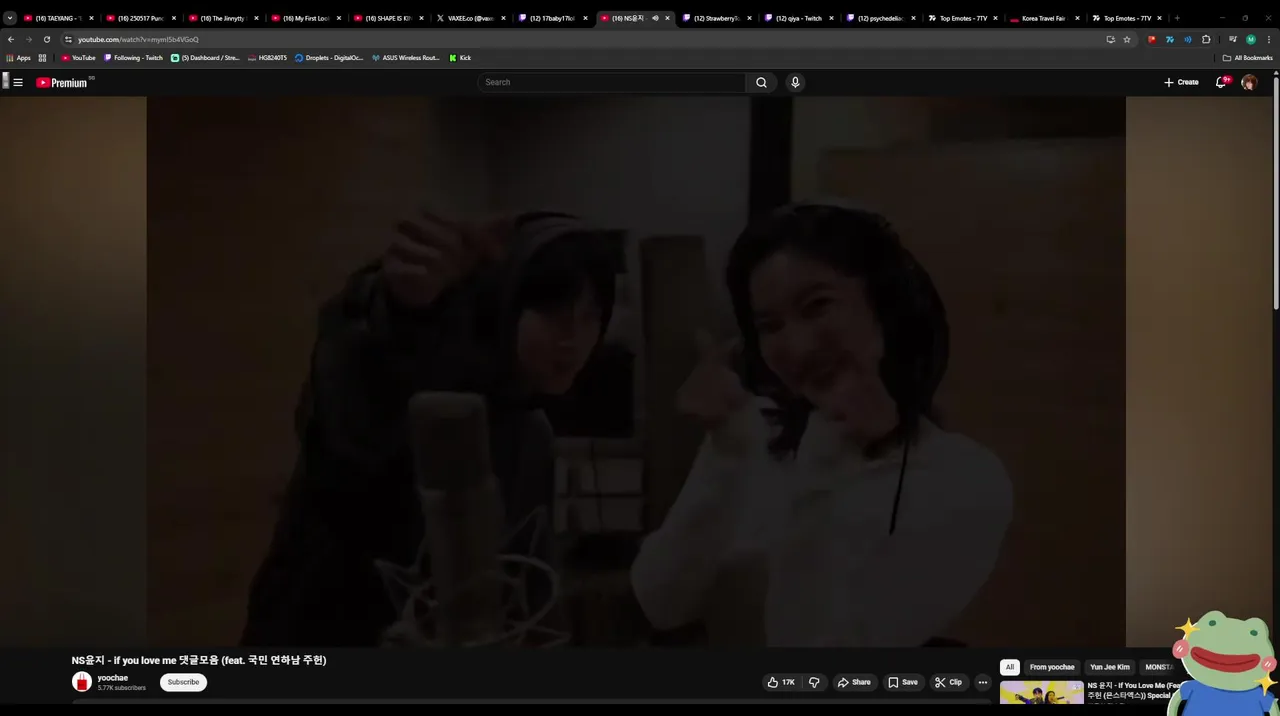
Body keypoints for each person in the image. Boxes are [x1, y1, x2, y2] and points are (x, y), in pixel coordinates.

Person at [630, 202, 1012, 647]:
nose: (797, 346)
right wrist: (724, 451)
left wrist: (828, 455)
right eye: (770, 326)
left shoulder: (964, 479)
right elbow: (660, 602)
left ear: (886, 305)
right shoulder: (753, 433)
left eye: (817, 307)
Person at [241, 210, 616, 646]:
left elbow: (528, 583)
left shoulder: (532, 434)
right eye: (552, 311)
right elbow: (356, 410)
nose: (572, 337)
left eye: (590, 316)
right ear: (505, 301)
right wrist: (396, 313)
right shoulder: (434, 396)